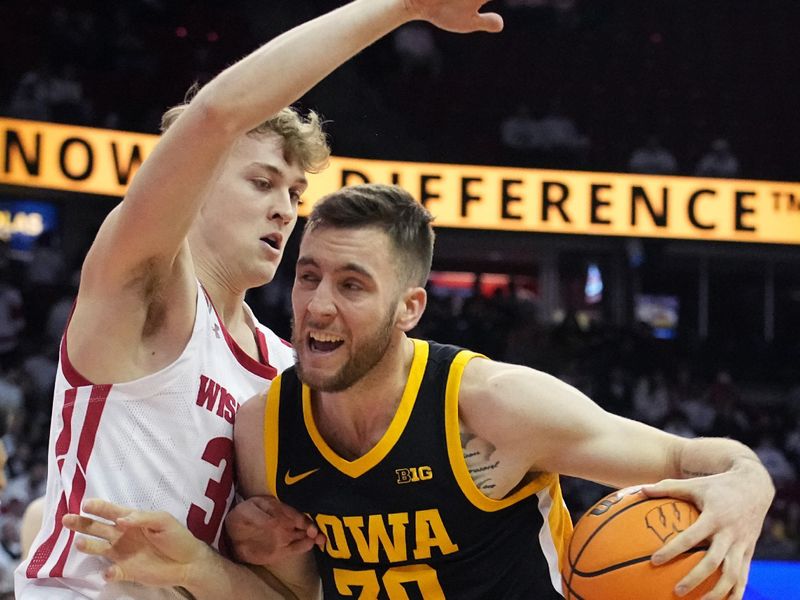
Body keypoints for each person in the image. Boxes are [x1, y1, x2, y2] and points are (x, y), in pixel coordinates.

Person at [66, 184, 773, 599]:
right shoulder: (265, 431)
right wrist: (203, 565)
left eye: (351, 286)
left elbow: (692, 461)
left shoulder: (494, 405)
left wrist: (748, 484)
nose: (315, 305)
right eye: (309, 275)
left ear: (410, 308)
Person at [17, 0, 504, 598]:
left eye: (296, 193)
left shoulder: (287, 372)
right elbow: (216, 116)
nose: (285, 208)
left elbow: (287, 595)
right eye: (262, 181)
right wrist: (399, 7)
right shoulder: (142, 292)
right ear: (192, 185)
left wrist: (236, 549)